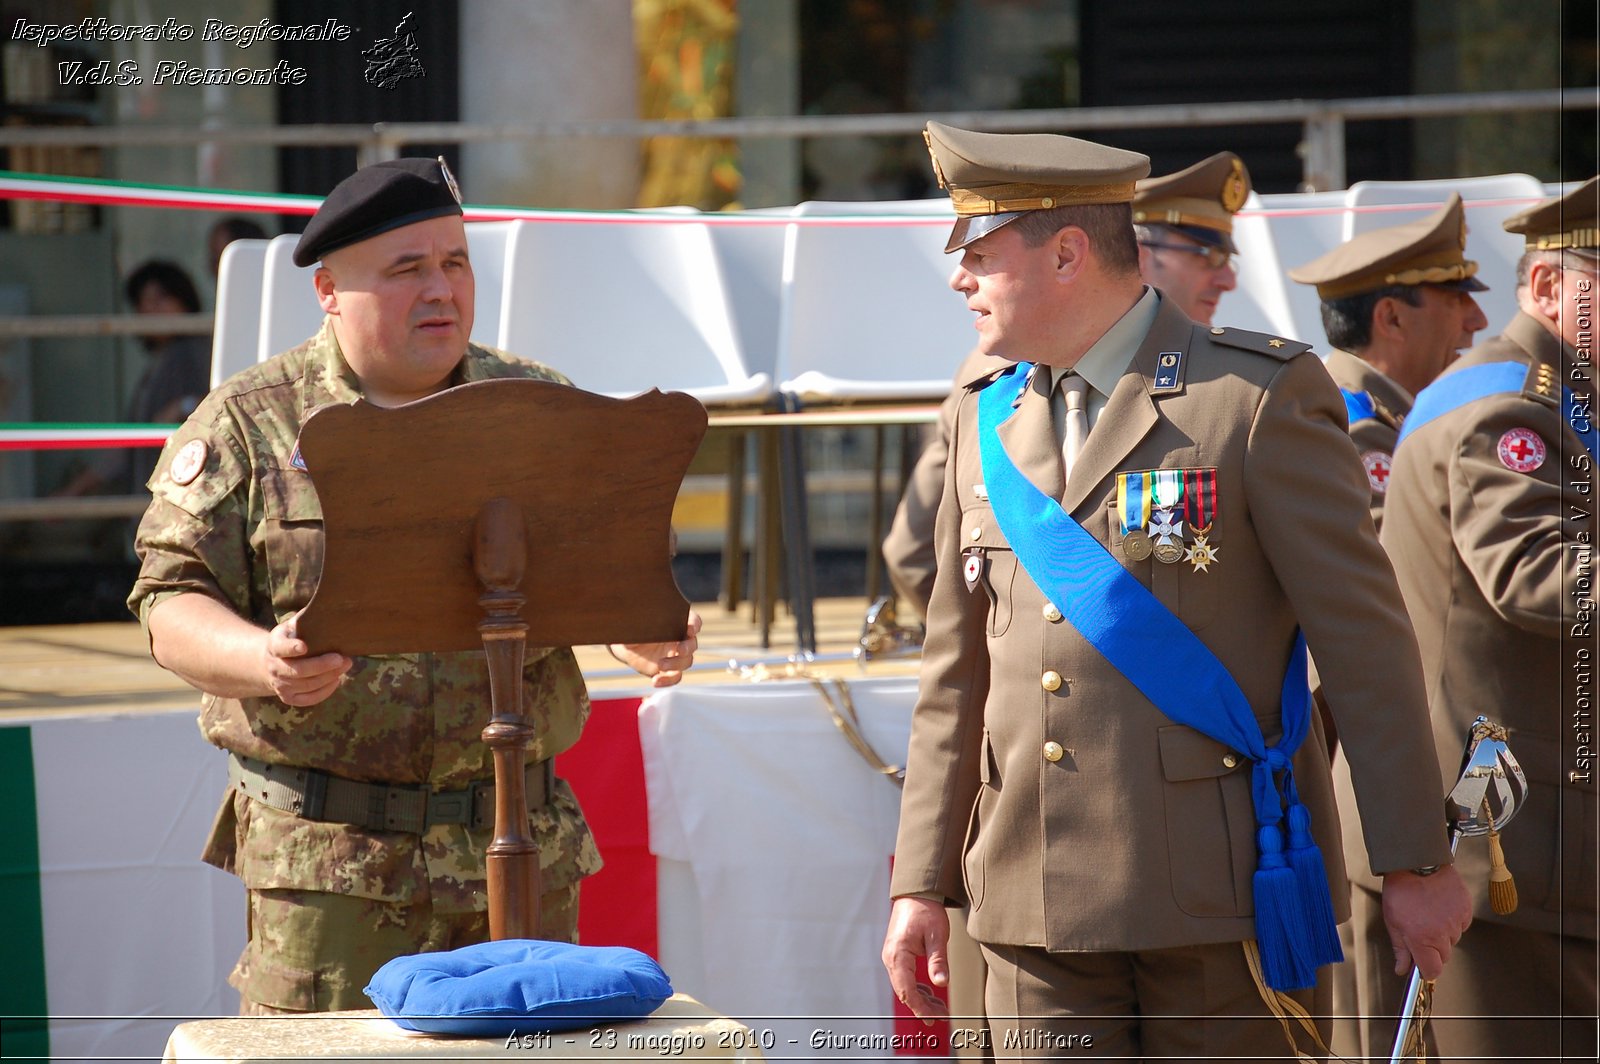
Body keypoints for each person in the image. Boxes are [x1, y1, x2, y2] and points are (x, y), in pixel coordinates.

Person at [880, 122, 1472, 1059]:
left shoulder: (1254, 399)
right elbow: (955, 674)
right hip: (1030, 900)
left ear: (1068, 252)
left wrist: (1413, 859)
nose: (960, 280)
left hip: (1220, 895)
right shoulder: (981, 413)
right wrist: (919, 882)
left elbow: (1366, 645)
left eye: (981, 256)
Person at [126, 158, 700, 1015]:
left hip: (521, 849)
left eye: (455, 262)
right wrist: (263, 659)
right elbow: (169, 601)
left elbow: (616, 567)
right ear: (329, 289)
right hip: (334, 868)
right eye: (407, 269)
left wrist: (640, 628)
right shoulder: (247, 422)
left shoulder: (538, 408)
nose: (442, 289)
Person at [1374, 175, 1599, 1060]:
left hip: (1529, 831)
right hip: (1510, 838)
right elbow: (1538, 577)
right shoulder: (1512, 405)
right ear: (1547, 288)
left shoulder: (1551, 396)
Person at [883, 151, 1253, 619]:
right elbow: (920, 554)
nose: (1228, 279)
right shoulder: (993, 384)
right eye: (1208, 255)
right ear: (1139, 252)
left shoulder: (1250, 389)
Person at [1289, 193, 1490, 530]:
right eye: (1457, 300)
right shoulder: (1354, 429)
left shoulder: (1369, 411)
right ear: (1392, 318)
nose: (1479, 321)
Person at [56, 260, 211, 498]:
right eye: (142, 302)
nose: (150, 309)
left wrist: (184, 405)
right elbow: (128, 445)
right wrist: (75, 490)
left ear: (184, 300)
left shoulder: (193, 352)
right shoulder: (162, 362)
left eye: (160, 298)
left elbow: (224, 399)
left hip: (182, 501)